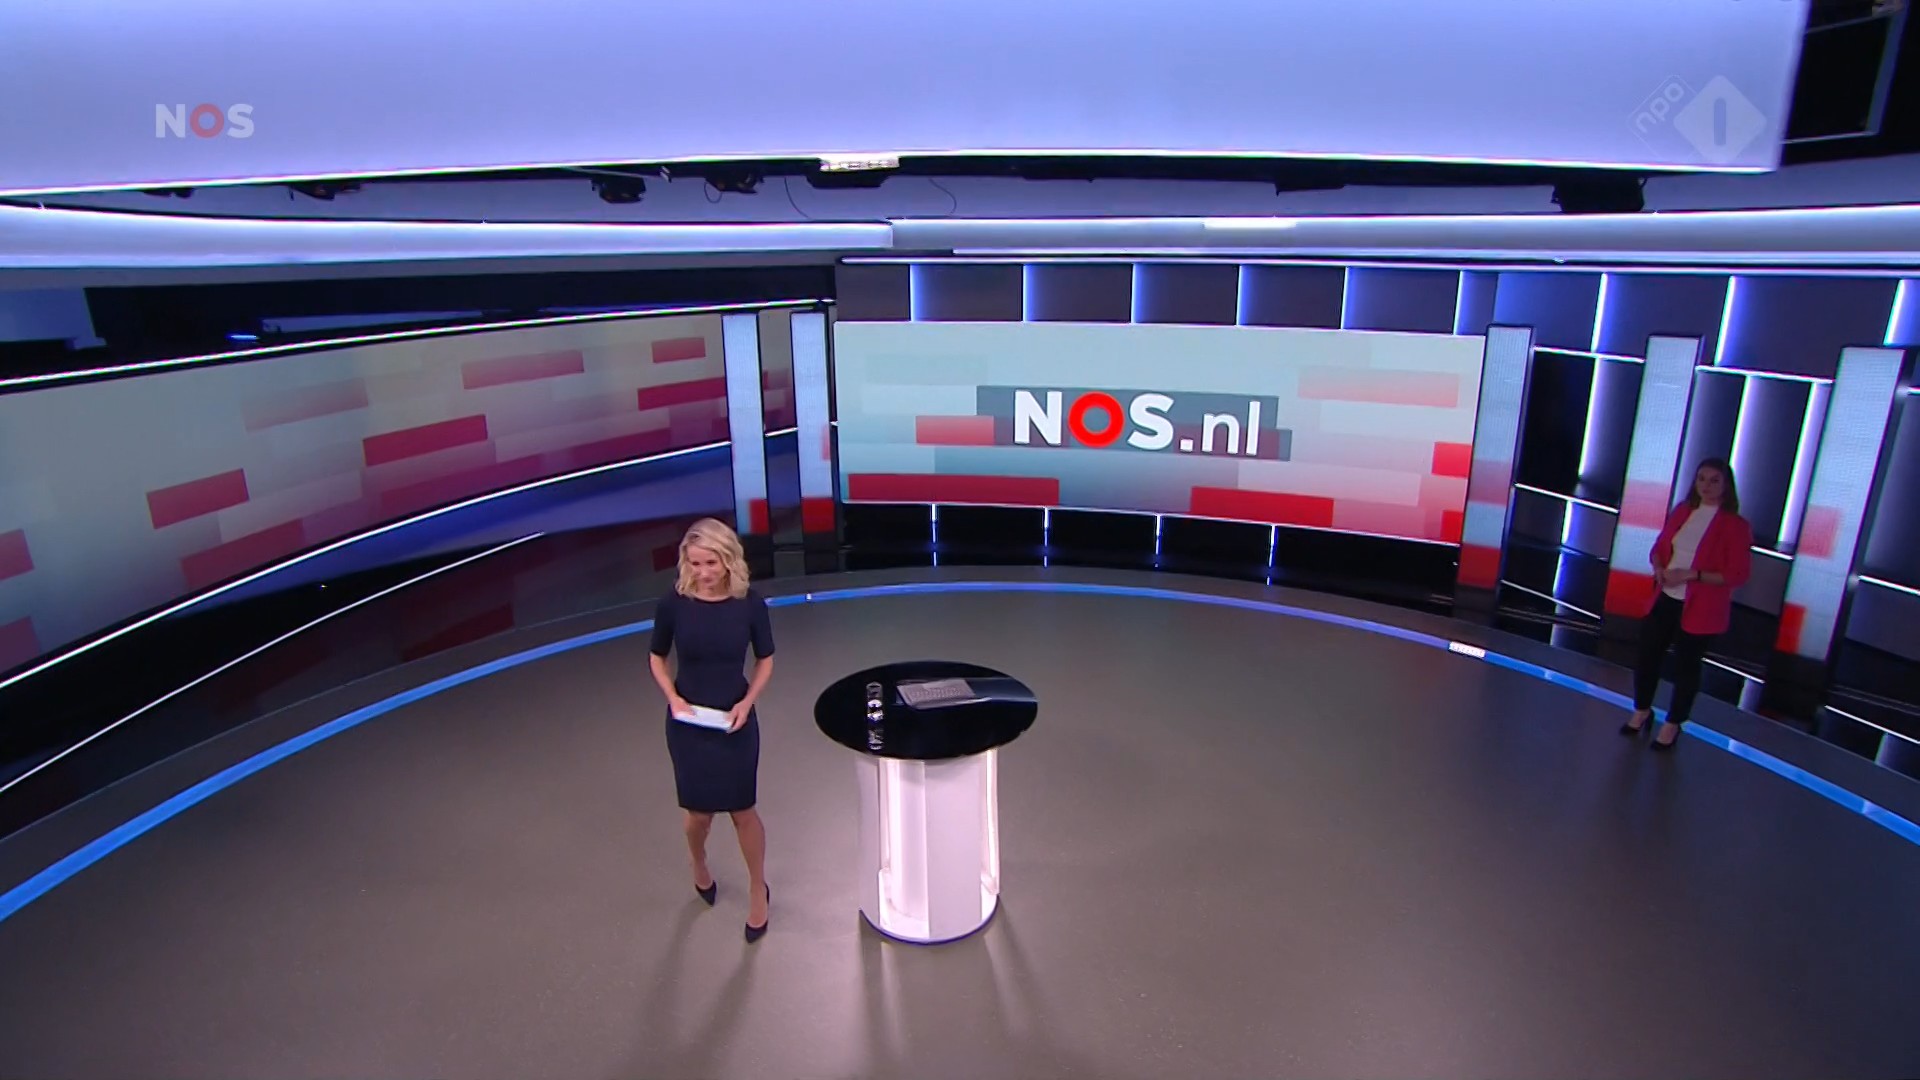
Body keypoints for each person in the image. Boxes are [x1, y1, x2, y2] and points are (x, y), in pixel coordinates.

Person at [648, 518, 777, 941]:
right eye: (695, 563)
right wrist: (672, 697)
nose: (703, 572)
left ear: (728, 560)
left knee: (743, 811)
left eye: (711, 563)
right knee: (698, 815)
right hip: (688, 723)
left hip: (735, 720)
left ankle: (757, 888)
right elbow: (656, 656)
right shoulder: (673, 603)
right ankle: (699, 862)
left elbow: (765, 660)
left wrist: (747, 702)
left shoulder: (749, 604)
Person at [1622, 458, 1753, 751]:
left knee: (1686, 667)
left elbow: (1738, 574)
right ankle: (1642, 710)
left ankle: (1673, 723)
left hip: (1701, 607)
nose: (1706, 486)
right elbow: (1660, 548)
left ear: (1727, 486)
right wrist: (1659, 567)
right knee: (1647, 656)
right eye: (1701, 479)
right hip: (1665, 597)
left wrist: (1692, 575)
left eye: (1714, 480)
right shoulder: (1683, 511)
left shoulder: (1735, 526)